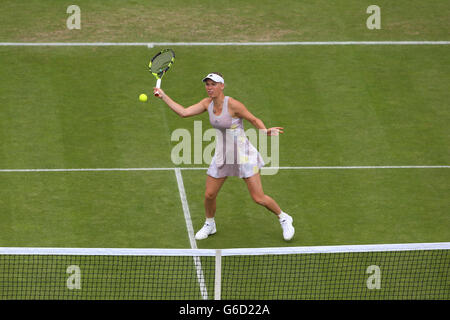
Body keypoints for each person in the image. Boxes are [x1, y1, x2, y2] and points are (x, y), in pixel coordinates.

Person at [153, 72, 294, 241]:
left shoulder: (233, 105)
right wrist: (164, 96)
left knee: (258, 197)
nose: (209, 88)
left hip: (243, 155)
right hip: (223, 155)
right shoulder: (207, 104)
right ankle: (210, 224)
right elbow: (184, 112)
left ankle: (284, 217)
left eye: (213, 84)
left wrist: (265, 131)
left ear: (222, 86)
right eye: (207, 84)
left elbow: (253, 119)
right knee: (209, 195)